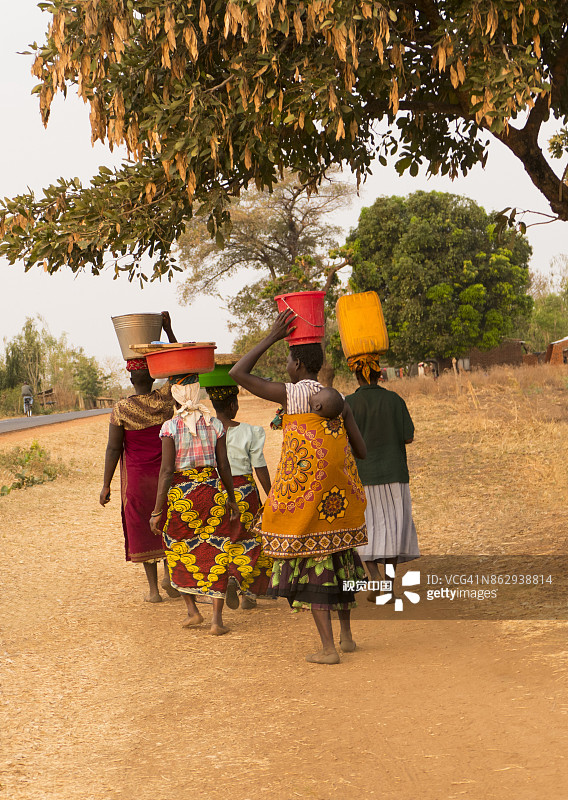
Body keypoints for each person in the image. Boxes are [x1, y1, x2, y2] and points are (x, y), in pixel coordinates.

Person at [229, 309, 368, 665]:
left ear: (297, 365)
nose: (286, 366)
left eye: (288, 359)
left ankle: (328, 649)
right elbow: (362, 451)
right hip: (337, 504)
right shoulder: (337, 400)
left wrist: (271, 336)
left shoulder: (290, 395)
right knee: (340, 564)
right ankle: (348, 637)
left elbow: (238, 373)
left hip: (306, 503)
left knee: (314, 573)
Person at [150, 377, 268, 636]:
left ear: (177, 396)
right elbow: (223, 466)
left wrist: (158, 510)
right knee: (218, 551)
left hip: (183, 496)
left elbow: (167, 471)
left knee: (178, 549)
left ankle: (193, 611)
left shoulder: (170, 427)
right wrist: (232, 499)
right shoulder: (214, 425)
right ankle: (216, 620)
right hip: (212, 493)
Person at [100, 311, 179, 603]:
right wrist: (169, 332)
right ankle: (171, 576)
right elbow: (182, 370)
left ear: (131, 377)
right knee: (168, 521)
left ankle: (153, 590)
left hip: (136, 481)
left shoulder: (121, 409)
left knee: (143, 528)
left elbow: (112, 449)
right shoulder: (165, 400)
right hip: (165, 478)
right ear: (152, 374)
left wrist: (106, 485)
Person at [345, 355, 419, 603]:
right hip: (394, 476)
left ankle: (375, 579)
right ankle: (388, 585)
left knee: (366, 531)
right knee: (394, 531)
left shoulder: (348, 404)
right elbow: (408, 437)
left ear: (356, 375)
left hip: (362, 478)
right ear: (380, 374)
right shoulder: (394, 400)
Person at [206, 384, 273, 610]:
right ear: (234, 405)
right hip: (244, 492)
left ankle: (229, 579)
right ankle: (247, 591)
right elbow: (259, 466)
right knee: (252, 539)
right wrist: (271, 496)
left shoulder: (207, 430)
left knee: (225, 539)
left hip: (217, 492)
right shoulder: (249, 431)